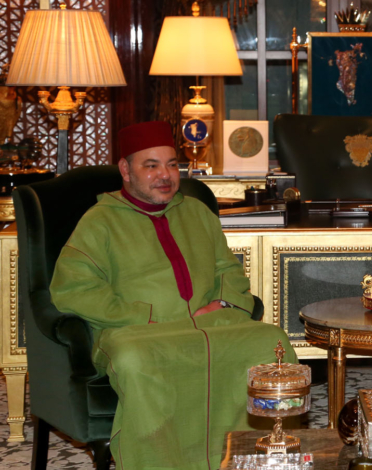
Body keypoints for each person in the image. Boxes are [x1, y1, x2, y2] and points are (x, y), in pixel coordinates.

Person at [50, 121, 296, 469]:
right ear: (126, 170)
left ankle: (255, 457)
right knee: (135, 359)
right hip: (138, 331)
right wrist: (145, 315)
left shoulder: (197, 213)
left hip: (207, 324)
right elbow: (74, 289)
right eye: (151, 166)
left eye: (171, 165)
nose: (165, 175)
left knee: (271, 342)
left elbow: (227, 270)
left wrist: (223, 303)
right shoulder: (99, 221)